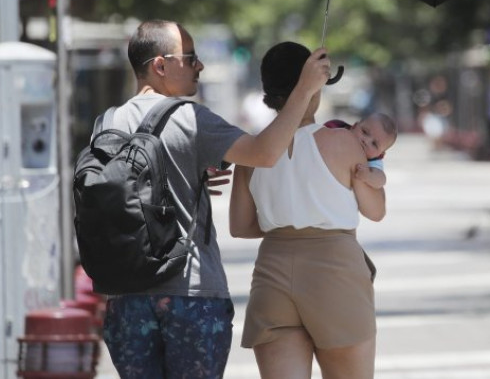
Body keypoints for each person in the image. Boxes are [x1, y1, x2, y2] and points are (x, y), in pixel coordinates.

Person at [99, 20, 332, 379]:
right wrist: (304, 89)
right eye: (191, 58)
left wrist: (188, 176)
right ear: (161, 65)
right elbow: (265, 153)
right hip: (191, 294)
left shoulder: (107, 123)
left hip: (124, 300)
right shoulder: (190, 117)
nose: (200, 66)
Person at [229, 41, 386, 379]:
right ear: (313, 85)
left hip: (272, 273)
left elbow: (240, 226)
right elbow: (374, 211)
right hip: (335, 271)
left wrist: (286, 219)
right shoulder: (344, 142)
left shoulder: (250, 152)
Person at [324, 113, 398, 190]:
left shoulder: (373, 160)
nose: (365, 141)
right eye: (365, 132)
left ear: (380, 154)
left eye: (374, 144)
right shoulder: (336, 128)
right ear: (354, 126)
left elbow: (381, 179)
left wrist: (368, 176)